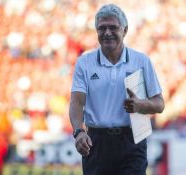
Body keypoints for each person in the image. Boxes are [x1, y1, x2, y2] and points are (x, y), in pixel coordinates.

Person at [69, 3, 165, 175]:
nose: (107, 33)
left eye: (113, 27)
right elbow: (76, 102)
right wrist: (78, 132)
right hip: (96, 142)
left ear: (124, 30)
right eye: (102, 28)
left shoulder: (141, 61)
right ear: (96, 31)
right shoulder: (84, 63)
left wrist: (140, 105)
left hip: (132, 139)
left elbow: (159, 104)